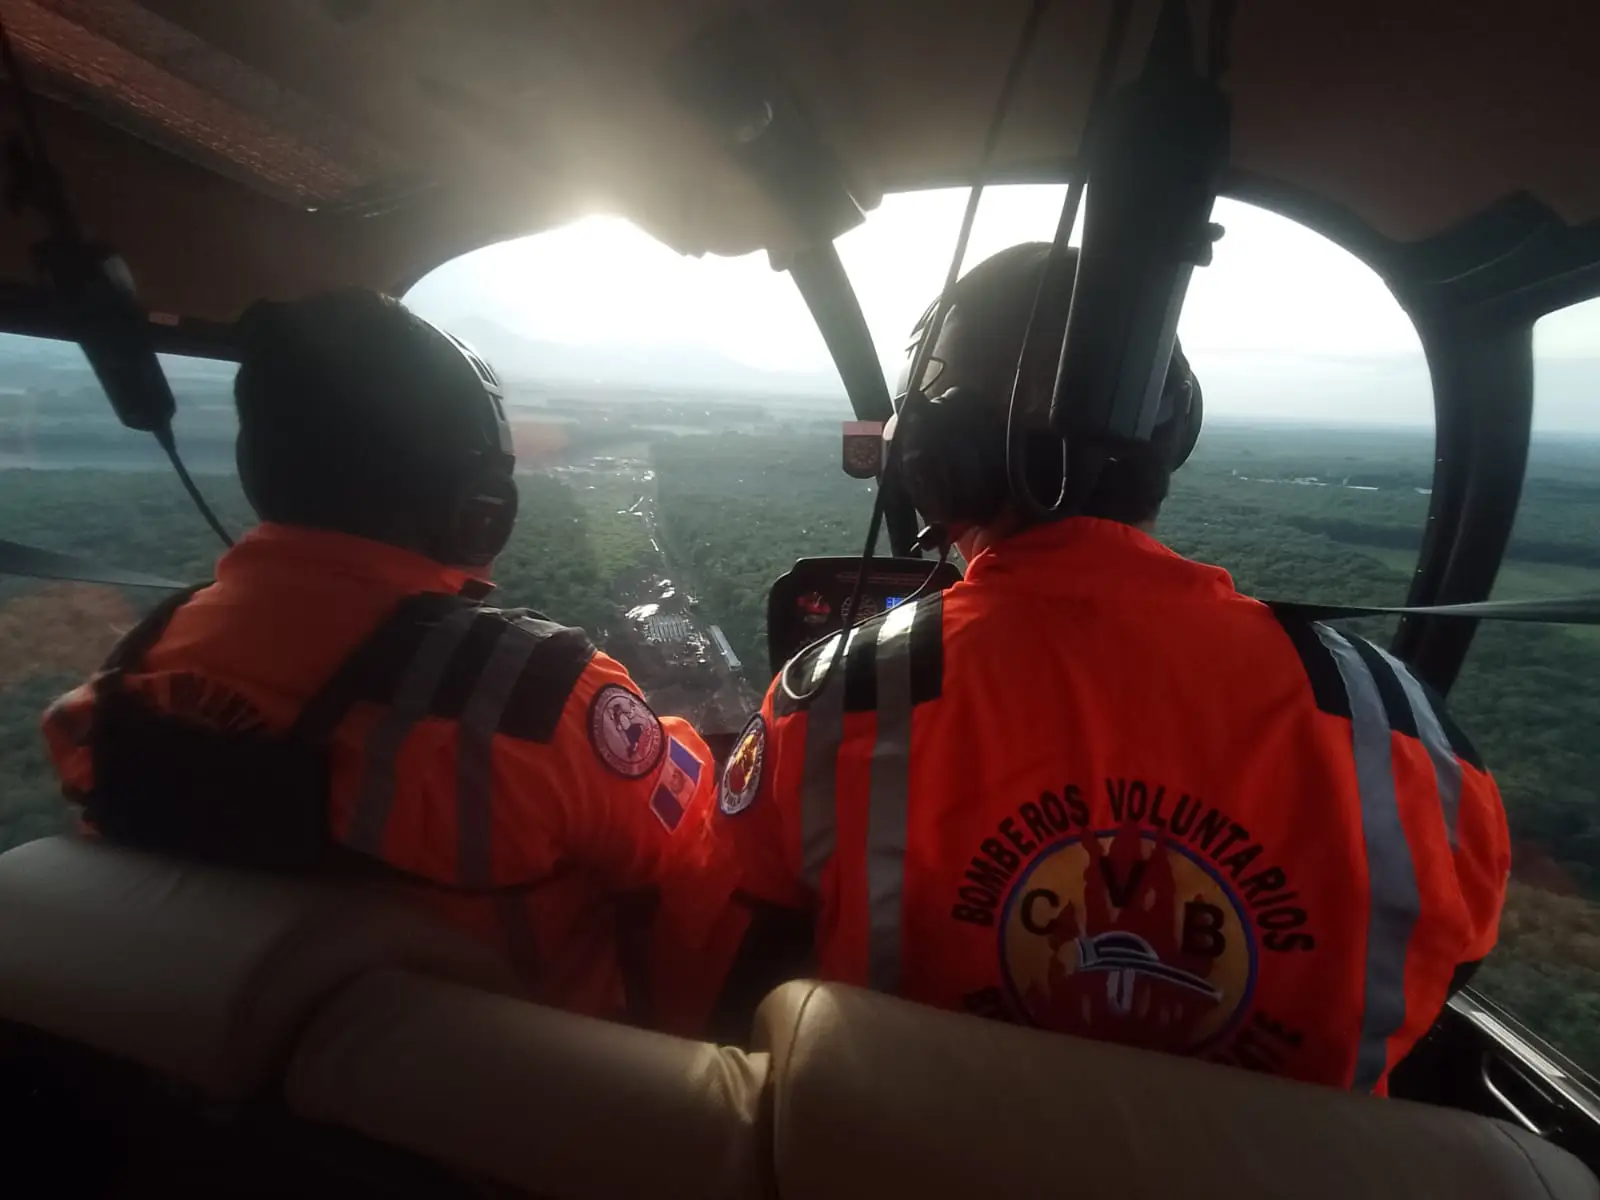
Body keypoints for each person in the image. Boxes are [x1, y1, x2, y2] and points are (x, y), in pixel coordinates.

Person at [707, 242, 1510, 1091]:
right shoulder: (1408, 730)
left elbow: (719, 985)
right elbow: (1447, 973)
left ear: (935, 460)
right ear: (1174, 438)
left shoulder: (843, 704)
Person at [40, 289, 724, 1032]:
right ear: (479, 504)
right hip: (502, 1115)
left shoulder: (126, 682)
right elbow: (696, 870)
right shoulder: (540, 705)